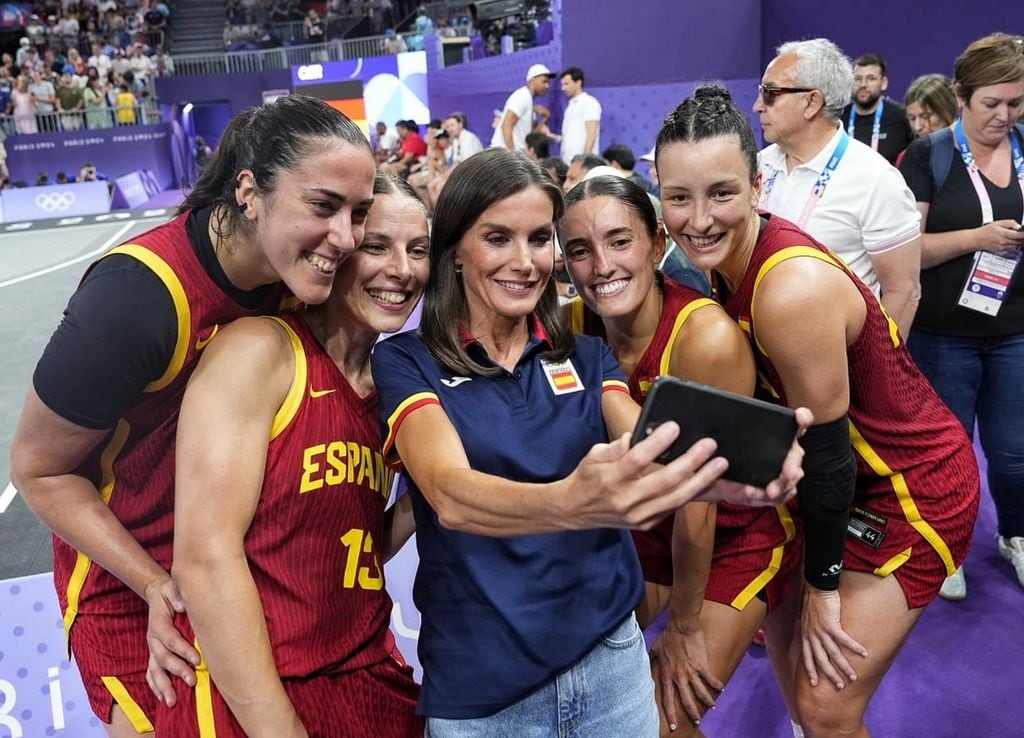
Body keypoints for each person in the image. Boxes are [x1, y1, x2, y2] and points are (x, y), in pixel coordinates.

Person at [370, 147, 809, 735]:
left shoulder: (584, 352)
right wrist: (572, 501)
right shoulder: (406, 362)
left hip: (610, 661)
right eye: (498, 238)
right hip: (484, 687)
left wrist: (716, 471)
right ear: (454, 253)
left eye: (539, 238)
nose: (525, 262)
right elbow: (449, 493)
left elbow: (645, 436)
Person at [9, 96, 376, 738]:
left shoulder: (300, 276)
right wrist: (156, 585)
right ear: (248, 192)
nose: (344, 238)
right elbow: (39, 472)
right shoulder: (139, 298)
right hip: (132, 572)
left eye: (358, 214)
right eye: (323, 206)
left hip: (240, 553)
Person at [657, 83, 979, 738]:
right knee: (801, 691)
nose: (698, 219)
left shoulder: (788, 288)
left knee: (826, 708)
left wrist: (823, 587)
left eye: (720, 193)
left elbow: (831, 454)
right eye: (677, 197)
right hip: (826, 488)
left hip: (907, 489)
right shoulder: (711, 263)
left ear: (756, 184)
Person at [158, 174, 427, 737]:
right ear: (339, 247)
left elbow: (354, 536)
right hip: (253, 691)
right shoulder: (261, 351)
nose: (402, 269)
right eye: (377, 245)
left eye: (418, 250)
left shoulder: (398, 383)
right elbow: (205, 559)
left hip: (365, 668)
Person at [560, 175, 799, 736]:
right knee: (573, 681)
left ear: (657, 241)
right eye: (579, 250)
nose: (601, 266)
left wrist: (686, 626)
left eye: (620, 241)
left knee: (663, 717)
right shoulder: (572, 325)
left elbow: (702, 506)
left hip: (734, 536)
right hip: (645, 531)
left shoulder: (703, 338)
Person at [899, 33, 1024, 598]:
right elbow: (907, 251)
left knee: (1014, 452)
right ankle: (946, 546)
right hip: (943, 333)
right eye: (991, 103)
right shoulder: (930, 155)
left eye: (1016, 103)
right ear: (962, 96)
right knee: (948, 451)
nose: (1004, 116)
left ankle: (1015, 536)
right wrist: (979, 238)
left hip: (1014, 330)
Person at [754, 38, 922, 340]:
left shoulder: (876, 180)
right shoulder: (757, 166)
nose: (757, 106)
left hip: (840, 365)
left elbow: (903, 291)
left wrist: (874, 373)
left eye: (770, 93)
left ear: (812, 102)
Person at [841, 53, 914, 165]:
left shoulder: (902, 117)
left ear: (883, 83)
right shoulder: (838, 117)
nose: (863, 84)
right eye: (857, 79)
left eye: (871, 79)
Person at [492, 63, 555, 151]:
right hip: (504, 156)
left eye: (548, 82)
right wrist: (513, 155)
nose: (547, 86)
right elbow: (506, 125)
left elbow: (532, 136)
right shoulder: (522, 96)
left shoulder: (529, 100)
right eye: (544, 81)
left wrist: (545, 118)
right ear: (532, 80)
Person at [554, 66, 602, 163]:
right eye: (562, 84)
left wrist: (583, 162)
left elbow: (591, 134)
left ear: (578, 83)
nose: (563, 88)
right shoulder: (570, 105)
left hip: (582, 164)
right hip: (568, 163)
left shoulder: (589, 102)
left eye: (567, 84)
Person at [903, 73, 958, 138]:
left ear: (949, 109)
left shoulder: (969, 145)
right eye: (912, 119)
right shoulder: (912, 147)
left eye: (925, 116)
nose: (917, 127)